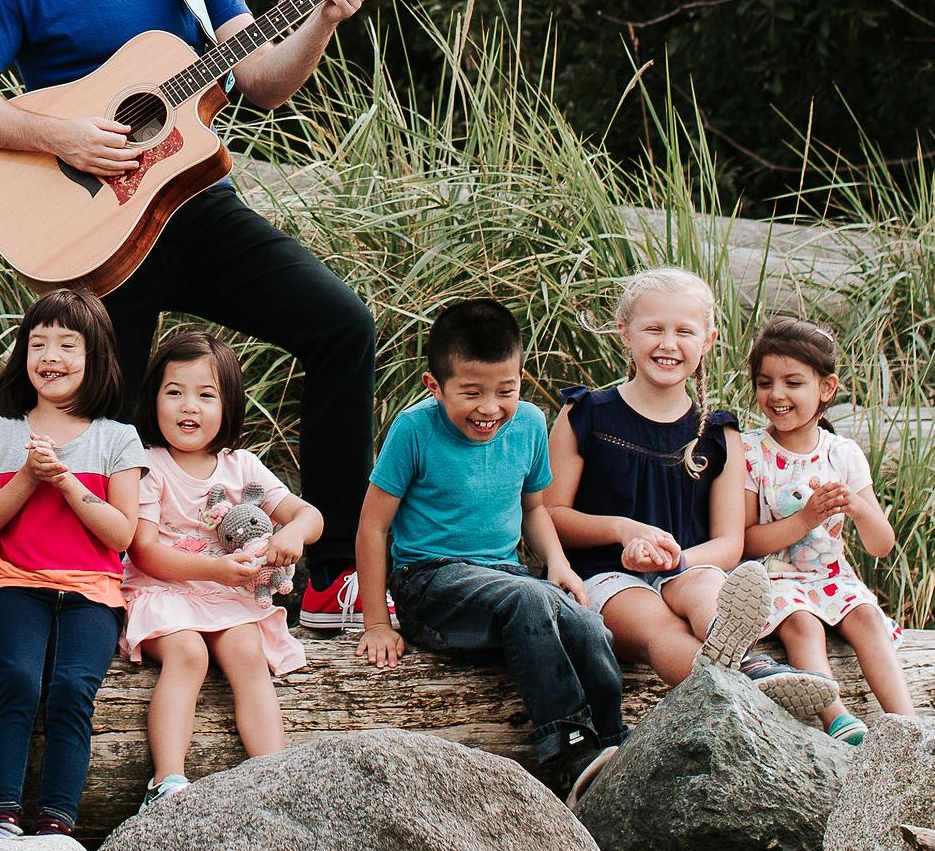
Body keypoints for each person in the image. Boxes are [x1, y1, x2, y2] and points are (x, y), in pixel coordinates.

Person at [0, 0, 381, 631]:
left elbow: (262, 82)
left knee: (343, 326)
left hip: (195, 206)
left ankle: (326, 575)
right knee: (104, 410)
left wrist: (320, 20)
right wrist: (61, 139)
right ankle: (93, 583)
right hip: (95, 236)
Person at [353, 300, 623, 805]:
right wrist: (376, 622)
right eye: (471, 393)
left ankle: (615, 747)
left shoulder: (527, 424)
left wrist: (559, 565)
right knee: (526, 599)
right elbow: (373, 525)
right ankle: (568, 748)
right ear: (435, 386)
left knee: (588, 623)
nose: (490, 408)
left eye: (506, 390)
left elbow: (535, 509)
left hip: (506, 577)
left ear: (521, 377)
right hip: (430, 583)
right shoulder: (414, 430)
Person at [545, 267, 836, 720]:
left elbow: (729, 543)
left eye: (684, 331)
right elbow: (550, 514)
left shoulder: (718, 435)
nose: (668, 344)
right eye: (653, 329)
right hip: (603, 576)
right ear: (624, 332)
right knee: (658, 625)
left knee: (708, 587)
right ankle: (752, 693)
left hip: (686, 566)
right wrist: (624, 532)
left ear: (708, 341)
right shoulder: (586, 415)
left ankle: (745, 656)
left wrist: (673, 561)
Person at [0, 288, 147, 842]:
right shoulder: (1, 430)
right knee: (18, 680)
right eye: (38, 343)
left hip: (93, 591)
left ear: (95, 357)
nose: (51, 356)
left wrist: (65, 479)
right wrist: (28, 475)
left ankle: (57, 823)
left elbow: (122, 533)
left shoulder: (118, 438)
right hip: (18, 585)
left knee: (72, 688)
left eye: (68, 344)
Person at [125, 331, 316, 810]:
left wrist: (289, 535)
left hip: (226, 594)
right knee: (189, 654)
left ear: (228, 405)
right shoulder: (149, 465)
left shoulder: (241, 466)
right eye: (174, 392)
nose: (189, 407)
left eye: (206, 395)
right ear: (153, 398)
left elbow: (309, 515)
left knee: (247, 653)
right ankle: (166, 781)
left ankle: (274, 775)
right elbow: (144, 551)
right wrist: (213, 568)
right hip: (162, 589)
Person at [740, 316, 916, 744]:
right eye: (765, 383)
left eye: (792, 383)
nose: (776, 395)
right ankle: (837, 718)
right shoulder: (751, 451)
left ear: (827, 388)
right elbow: (745, 542)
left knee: (869, 617)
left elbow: (881, 544)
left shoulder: (843, 454)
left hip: (831, 576)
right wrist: (805, 520)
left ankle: (910, 729)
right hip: (774, 578)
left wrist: (856, 507)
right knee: (803, 624)